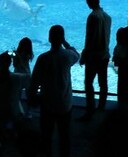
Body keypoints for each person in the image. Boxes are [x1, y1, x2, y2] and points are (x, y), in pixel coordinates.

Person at [29, 25, 80, 157]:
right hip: (65, 104)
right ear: (62, 38)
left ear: (49, 38)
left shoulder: (43, 58)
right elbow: (76, 54)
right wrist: (65, 42)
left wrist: (32, 98)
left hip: (48, 104)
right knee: (65, 137)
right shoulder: (68, 56)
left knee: (46, 136)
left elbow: (34, 82)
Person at [78, 0, 111, 121]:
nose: (87, 3)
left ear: (91, 0)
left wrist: (84, 55)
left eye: (87, 0)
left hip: (93, 56)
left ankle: (90, 110)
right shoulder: (107, 16)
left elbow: (89, 38)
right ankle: (101, 108)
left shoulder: (92, 17)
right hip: (105, 55)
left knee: (88, 83)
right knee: (103, 83)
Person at [0, 51, 21, 146]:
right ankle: (8, 132)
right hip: (10, 109)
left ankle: (0, 131)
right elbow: (28, 75)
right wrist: (19, 59)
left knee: (0, 121)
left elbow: (1, 65)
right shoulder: (15, 77)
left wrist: (7, 53)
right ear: (10, 63)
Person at [12, 37, 34, 117]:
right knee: (25, 95)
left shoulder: (25, 55)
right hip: (26, 75)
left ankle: (23, 112)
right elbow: (16, 64)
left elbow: (19, 64)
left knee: (19, 94)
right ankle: (26, 112)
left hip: (20, 75)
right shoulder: (28, 54)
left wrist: (16, 56)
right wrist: (15, 57)